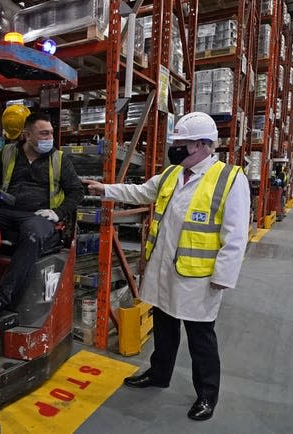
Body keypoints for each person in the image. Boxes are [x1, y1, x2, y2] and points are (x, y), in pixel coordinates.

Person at [83, 112, 250, 421]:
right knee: (164, 327)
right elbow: (141, 192)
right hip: (164, 271)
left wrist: (223, 278)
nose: (175, 149)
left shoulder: (229, 179)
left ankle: (207, 395)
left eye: (182, 144)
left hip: (199, 279)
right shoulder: (173, 174)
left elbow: (236, 235)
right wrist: (105, 189)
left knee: (201, 338)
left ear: (202, 145)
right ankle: (159, 374)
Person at [0, 112, 84, 318]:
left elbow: (77, 191)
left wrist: (57, 213)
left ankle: (1, 296)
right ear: (27, 135)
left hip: (39, 216)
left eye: (50, 134)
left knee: (32, 235)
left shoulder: (59, 159)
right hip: (8, 211)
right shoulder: (8, 153)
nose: (50, 138)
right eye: (43, 134)